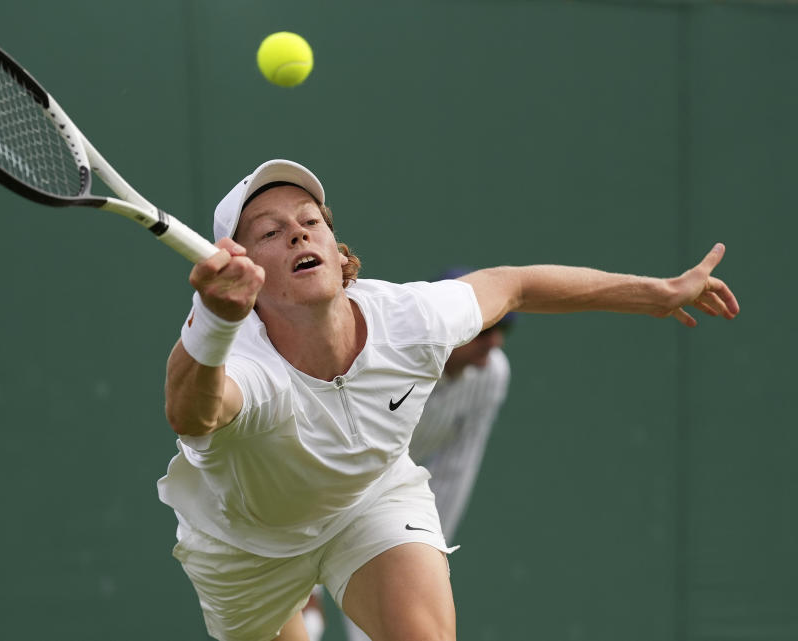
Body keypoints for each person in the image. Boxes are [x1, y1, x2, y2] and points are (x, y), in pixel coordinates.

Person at [157, 159, 739, 641]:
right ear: (249, 276)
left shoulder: (412, 319)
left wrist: (655, 293)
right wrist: (210, 323)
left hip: (369, 499)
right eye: (269, 231)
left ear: (339, 253)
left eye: (311, 221)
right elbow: (192, 413)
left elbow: (516, 285)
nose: (298, 233)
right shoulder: (245, 359)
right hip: (248, 544)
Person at [341, 290, 515, 641]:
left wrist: (426, 551)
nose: (494, 343)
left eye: (503, 332)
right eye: (483, 332)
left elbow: (457, 467)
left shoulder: (493, 373)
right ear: (447, 326)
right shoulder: (391, 356)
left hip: (387, 499)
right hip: (324, 489)